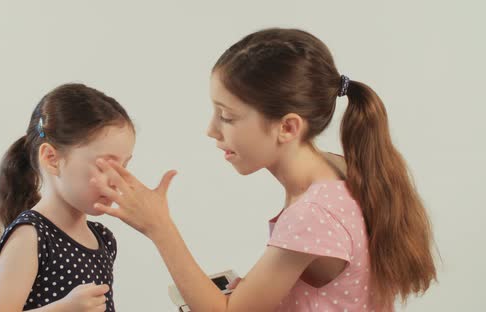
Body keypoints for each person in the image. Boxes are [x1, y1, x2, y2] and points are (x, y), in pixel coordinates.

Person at [92, 28, 437, 311]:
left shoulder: (313, 213)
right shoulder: (337, 170)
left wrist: (159, 226)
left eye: (227, 117)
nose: (212, 130)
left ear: (287, 128)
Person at [0, 83, 135, 312]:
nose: (118, 180)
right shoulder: (31, 236)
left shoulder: (103, 239)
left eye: (124, 166)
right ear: (51, 159)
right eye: (105, 166)